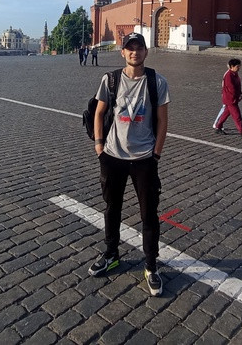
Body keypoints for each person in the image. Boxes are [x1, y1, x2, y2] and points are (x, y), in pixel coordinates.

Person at [89, 32, 170, 296]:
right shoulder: (110, 80)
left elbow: (163, 120)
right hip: (112, 156)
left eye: (139, 47)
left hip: (144, 159)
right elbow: (99, 112)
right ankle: (111, 253)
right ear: (123, 52)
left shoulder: (157, 82)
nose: (135, 52)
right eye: (130, 48)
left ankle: (151, 265)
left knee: (149, 213)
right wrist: (99, 147)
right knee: (112, 208)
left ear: (146, 51)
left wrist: (156, 154)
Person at [214, 58, 242, 140]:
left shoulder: (235, 74)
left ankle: (218, 127)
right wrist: (237, 95)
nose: (239, 68)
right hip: (230, 99)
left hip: (232, 98)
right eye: (237, 66)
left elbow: (237, 85)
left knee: (226, 113)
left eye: (239, 66)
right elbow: (231, 88)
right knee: (237, 116)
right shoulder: (229, 75)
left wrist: (240, 93)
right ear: (232, 66)